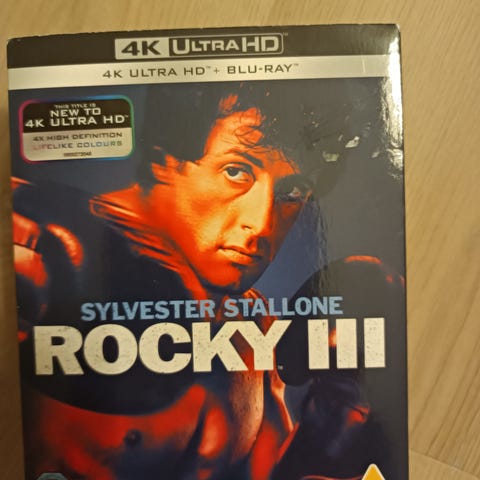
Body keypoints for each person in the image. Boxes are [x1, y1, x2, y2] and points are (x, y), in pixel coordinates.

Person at [13, 83, 322, 480]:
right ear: (164, 160)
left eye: (291, 191)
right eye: (236, 171)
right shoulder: (39, 243)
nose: (261, 223)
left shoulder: (254, 321)